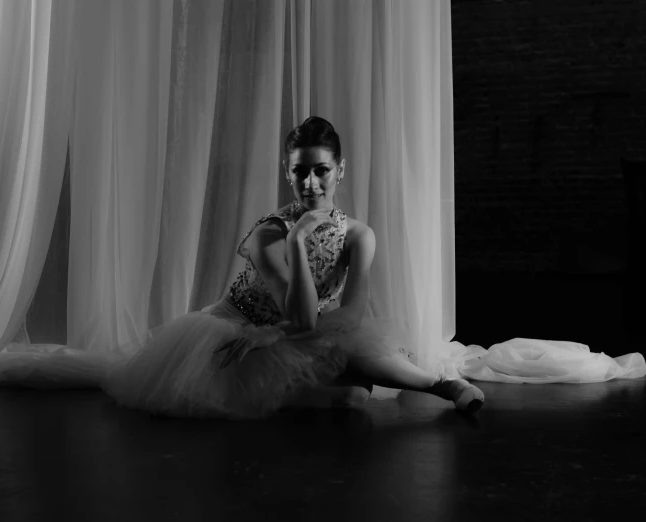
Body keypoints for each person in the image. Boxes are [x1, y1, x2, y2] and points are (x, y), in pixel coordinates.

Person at [102, 116, 486, 419]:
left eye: (321, 170)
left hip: (294, 331)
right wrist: (297, 239)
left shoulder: (358, 236)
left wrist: (283, 334)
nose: (311, 183)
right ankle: (329, 389)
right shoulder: (268, 235)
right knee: (352, 396)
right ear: (287, 173)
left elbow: (351, 315)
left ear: (340, 170)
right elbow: (300, 315)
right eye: (300, 171)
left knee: (354, 351)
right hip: (238, 335)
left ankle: (444, 386)